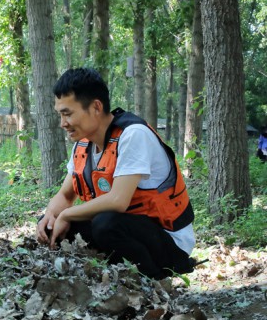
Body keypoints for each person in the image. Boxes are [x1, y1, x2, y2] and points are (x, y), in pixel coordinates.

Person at [36, 68, 196, 280]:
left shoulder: (133, 135)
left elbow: (119, 201)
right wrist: (50, 216)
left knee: (106, 224)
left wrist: (66, 214)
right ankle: (107, 276)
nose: (63, 123)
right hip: (124, 228)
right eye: (60, 115)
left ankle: (151, 281)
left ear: (96, 107)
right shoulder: (83, 144)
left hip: (167, 240)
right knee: (51, 225)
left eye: (68, 114)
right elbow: (66, 195)